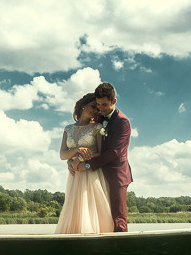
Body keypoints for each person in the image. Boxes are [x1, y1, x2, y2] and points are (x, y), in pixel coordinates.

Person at [54, 94, 115, 234]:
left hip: (91, 173)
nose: (95, 111)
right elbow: (63, 155)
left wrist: (80, 159)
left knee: (90, 210)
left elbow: (101, 153)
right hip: (75, 175)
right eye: (93, 106)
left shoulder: (97, 128)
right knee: (74, 209)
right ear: (83, 106)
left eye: (97, 109)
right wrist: (75, 153)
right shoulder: (68, 129)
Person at [78, 82, 132, 232]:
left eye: (104, 105)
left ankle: (122, 252)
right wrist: (74, 161)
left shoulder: (123, 122)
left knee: (118, 218)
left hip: (116, 176)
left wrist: (87, 165)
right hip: (97, 175)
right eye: (98, 104)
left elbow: (114, 152)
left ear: (114, 101)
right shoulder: (98, 119)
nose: (100, 108)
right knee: (100, 216)